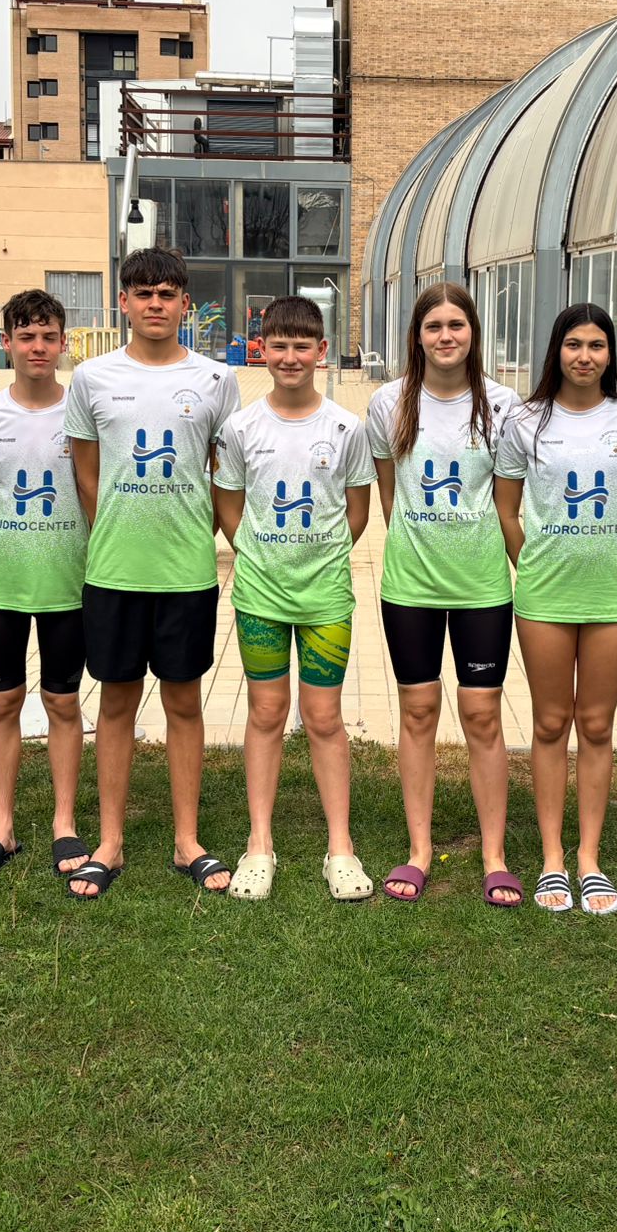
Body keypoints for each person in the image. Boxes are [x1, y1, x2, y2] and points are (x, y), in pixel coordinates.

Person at [62, 246, 241, 900]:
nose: (156, 304)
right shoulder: (92, 378)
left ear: (185, 304)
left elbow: (225, 472)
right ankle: (108, 842)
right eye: (144, 293)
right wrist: (114, 527)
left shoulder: (216, 380)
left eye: (167, 293)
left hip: (186, 572)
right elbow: (86, 472)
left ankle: (186, 839)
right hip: (114, 571)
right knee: (115, 703)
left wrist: (212, 536)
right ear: (124, 302)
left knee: (184, 703)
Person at [493, 303, 617, 915]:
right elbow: (506, 506)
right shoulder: (525, 421)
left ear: (610, 354)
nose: (584, 356)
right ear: (556, 351)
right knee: (548, 723)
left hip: (612, 597)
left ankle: (589, 858)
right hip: (544, 597)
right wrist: (531, 562)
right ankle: (552, 859)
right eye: (573, 345)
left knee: (595, 725)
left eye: (596, 345)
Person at [212, 295, 376, 902]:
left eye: (301, 346)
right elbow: (229, 506)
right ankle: (259, 845)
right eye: (278, 345)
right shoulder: (241, 428)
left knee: (325, 718)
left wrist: (317, 556)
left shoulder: (346, 428)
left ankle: (341, 848)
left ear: (321, 351)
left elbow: (357, 513)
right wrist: (260, 553)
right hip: (260, 595)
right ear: (262, 349)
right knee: (265, 714)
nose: (289, 357)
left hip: (326, 597)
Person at [366, 283, 522, 907]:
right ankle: (419, 850)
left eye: (457, 325)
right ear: (418, 336)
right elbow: (389, 493)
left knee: (482, 714)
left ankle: (494, 855)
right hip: (411, 585)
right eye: (434, 326)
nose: (446, 336)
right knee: (418, 711)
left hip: (482, 585)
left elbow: (509, 498)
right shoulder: (389, 402)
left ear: (473, 333)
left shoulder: (503, 406)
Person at [0, 289, 91, 883]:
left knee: (63, 703)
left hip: (69, 586)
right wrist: (9, 543)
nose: (38, 347)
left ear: (63, 344)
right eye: (26, 336)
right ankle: (1, 826)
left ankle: (64, 822)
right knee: (2, 703)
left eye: (48, 336)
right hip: (2, 586)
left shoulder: (83, 413)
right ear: (6, 343)